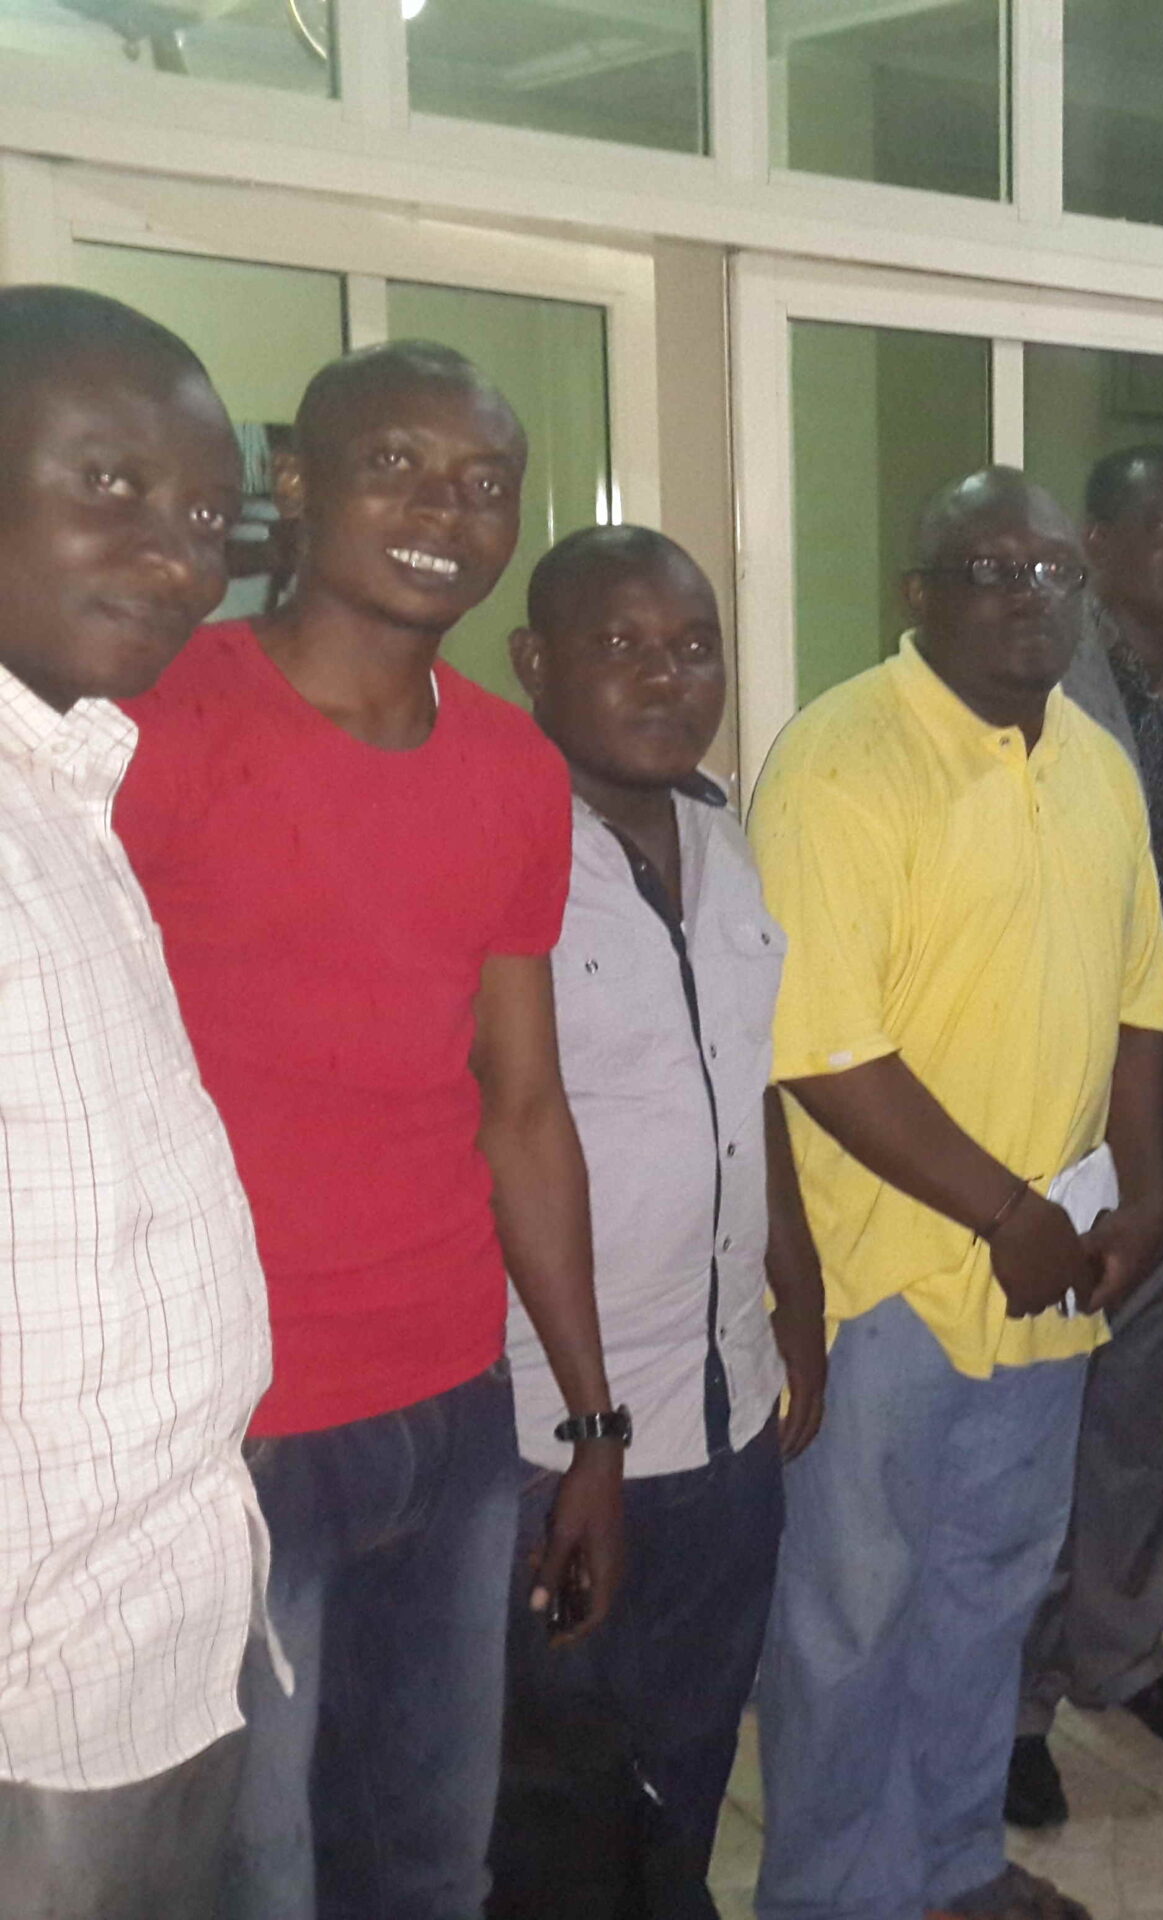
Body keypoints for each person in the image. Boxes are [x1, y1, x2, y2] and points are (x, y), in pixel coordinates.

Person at [114, 341, 627, 1919]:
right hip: (230, 1428)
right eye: (396, 465)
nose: (444, 512)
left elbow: (523, 1106)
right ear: (295, 482)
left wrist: (592, 1427)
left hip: (452, 1411)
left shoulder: (513, 766)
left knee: (430, 1861)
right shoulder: (156, 721)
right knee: (258, 1879)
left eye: (485, 485)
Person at [749, 468, 1163, 1920]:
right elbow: (824, 1049)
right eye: (989, 570)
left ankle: (950, 1867)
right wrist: (1006, 1215)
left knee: (991, 1588)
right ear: (918, 594)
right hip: (889, 1284)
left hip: (1047, 1281)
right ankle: (831, 1898)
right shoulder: (840, 760)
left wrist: (1146, 1193)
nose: (1027, 596)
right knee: (848, 1619)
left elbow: (1139, 1002)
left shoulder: (1097, 766)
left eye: (1052, 572)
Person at [490, 525, 829, 1916]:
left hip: (728, 1408)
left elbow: (752, 1093)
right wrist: (589, 1434)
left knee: (691, 1747)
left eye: (694, 647)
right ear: (534, 662)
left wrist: (799, 1301)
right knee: (556, 1791)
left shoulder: (725, 839)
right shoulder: (493, 852)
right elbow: (501, 1136)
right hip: (552, 1437)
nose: (665, 676)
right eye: (619, 644)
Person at [0, 286, 269, 1918]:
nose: (176, 558)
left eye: (207, 516)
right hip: (32, 1707)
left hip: (154, 1650)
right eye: (109, 484)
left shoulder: (67, 789)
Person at [1008, 449, 1163, 1830]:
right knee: (1048, 1398)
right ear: (1096, 542)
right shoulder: (1036, 695)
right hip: (1072, 1105)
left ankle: (1124, 1650)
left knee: (1149, 1398)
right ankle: (1016, 1700)